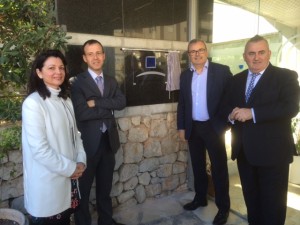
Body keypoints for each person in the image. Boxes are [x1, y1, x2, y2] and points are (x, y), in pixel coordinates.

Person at [228, 35, 300, 225]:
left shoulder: (286, 76)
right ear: (245, 56)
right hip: (245, 154)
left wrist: (253, 113)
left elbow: (290, 107)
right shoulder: (236, 80)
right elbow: (229, 107)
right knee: (253, 204)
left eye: (261, 52)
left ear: (269, 53)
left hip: (273, 155)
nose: (256, 57)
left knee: (273, 208)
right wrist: (230, 116)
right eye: (251, 53)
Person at [22, 49, 87, 225]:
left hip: (69, 180)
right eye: (51, 68)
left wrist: (81, 160)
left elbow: (76, 134)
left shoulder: (65, 99)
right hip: (48, 185)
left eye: (61, 67)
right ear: (39, 72)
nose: (58, 72)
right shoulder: (33, 104)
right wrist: (70, 168)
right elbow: (40, 149)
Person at [70, 39, 126, 225]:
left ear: (104, 55)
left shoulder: (111, 80)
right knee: (83, 192)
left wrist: (96, 102)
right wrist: (108, 107)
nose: (95, 57)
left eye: (98, 53)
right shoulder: (77, 82)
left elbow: (121, 103)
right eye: (90, 54)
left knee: (105, 189)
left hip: (108, 142)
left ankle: (106, 221)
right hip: (87, 145)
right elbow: (82, 112)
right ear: (85, 58)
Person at [177, 39, 232, 225]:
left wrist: (224, 124)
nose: (197, 54)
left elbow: (230, 98)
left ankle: (223, 208)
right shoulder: (185, 76)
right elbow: (182, 103)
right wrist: (182, 127)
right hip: (194, 127)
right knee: (198, 166)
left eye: (200, 50)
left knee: (219, 169)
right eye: (192, 51)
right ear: (189, 55)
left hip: (213, 127)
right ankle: (200, 198)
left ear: (206, 51)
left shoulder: (221, 71)